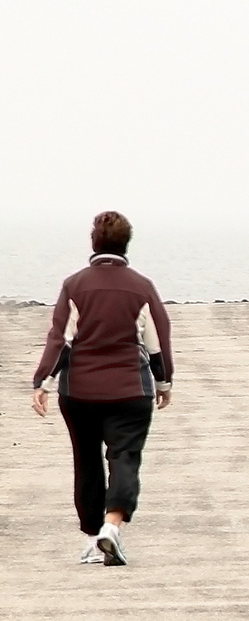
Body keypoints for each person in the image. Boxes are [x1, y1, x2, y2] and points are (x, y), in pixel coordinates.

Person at [30, 211, 173, 566]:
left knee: (87, 461)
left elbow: (60, 339)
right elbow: (158, 340)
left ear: (93, 242)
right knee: (124, 457)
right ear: (126, 243)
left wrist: (43, 382)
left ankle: (95, 539)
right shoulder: (141, 287)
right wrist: (163, 380)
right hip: (130, 391)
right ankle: (112, 527)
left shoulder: (74, 285)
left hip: (80, 393)